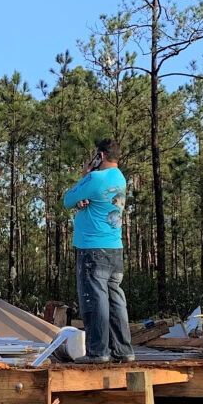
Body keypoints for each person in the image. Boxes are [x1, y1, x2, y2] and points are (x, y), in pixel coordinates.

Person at [63, 138, 134, 362]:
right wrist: (84, 201)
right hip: (114, 248)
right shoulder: (120, 178)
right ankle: (123, 350)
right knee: (115, 300)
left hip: (92, 249)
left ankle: (98, 352)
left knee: (95, 301)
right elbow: (97, 200)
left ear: (100, 156)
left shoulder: (94, 177)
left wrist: (86, 174)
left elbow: (67, 199)